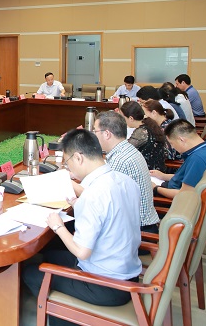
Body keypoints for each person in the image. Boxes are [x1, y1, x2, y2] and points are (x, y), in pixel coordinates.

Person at [22, 129, 141, 326]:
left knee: (31, 273)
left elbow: (82, 252)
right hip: (127, 272)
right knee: (49, 254)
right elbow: (113, 215)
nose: (68, 168)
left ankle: (66, 318)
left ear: (78, 157)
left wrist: (58, 226)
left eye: (67, 162)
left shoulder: (93, 195)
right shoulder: (125, 180)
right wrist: (79, 205)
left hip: (105, 285)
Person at [92, 112, 160, 233]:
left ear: (107, 134)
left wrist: (68, 182)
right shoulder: (126, 150)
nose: (94, 135)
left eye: (95, 131)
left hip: (136, 231)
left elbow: (100, 199)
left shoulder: (120, 160)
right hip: (140, 225)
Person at [150, 119, 206, 200]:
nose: (173, 147)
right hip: (172, 188)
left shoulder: (197, 159)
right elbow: (187, 178)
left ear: (181, 140)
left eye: (171, 143)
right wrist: (163, 176)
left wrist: (156, 188)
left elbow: (185, 194)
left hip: (173, 199)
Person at [120, 101, 167, 172]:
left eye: (123, 118)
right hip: (157, 168)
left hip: (149, 171)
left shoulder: (141, 132)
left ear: (131, 118)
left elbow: (125, 149)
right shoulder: (149, 124)